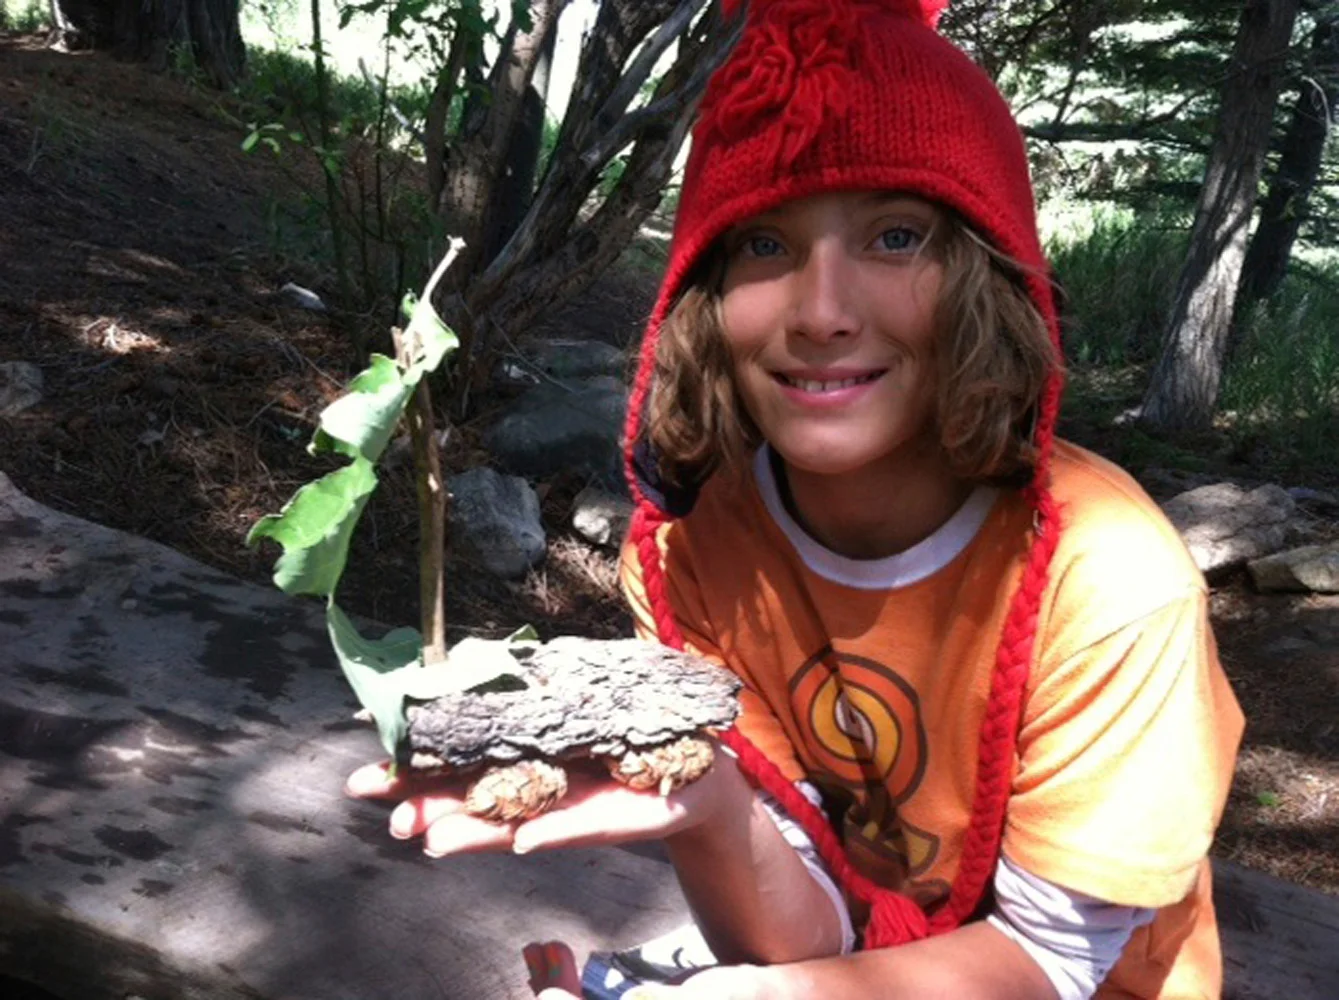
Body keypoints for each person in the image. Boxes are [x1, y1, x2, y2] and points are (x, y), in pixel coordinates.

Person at [346, 0, 1245, 996]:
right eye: (765, 246)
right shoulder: (696, 555)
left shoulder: (1108, 585)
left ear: (986, 281)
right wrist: (711, 809)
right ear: (704, 296)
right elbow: (802, 929)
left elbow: (1053, 960)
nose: (820, 313)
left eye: (895, 236)